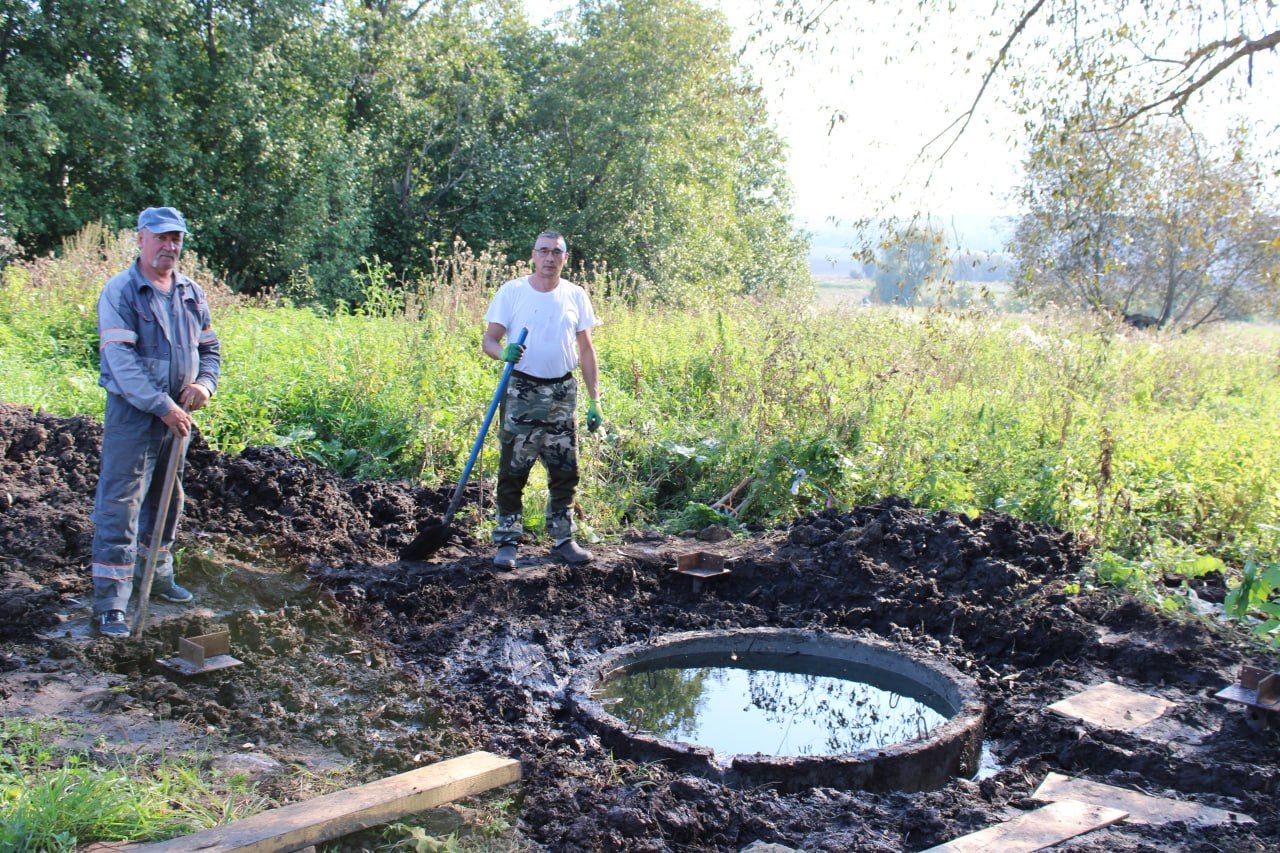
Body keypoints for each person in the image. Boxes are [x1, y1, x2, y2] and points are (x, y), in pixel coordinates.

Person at [90, 207, 221, 637]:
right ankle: (112, 601)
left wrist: (204, 385)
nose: (170, 246)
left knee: (170, 496)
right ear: (141, 239)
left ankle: (157, 574)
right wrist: (160, 403)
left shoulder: (191, 293)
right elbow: (121, 363)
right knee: (122, 503)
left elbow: (211, 350)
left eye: (176, 239)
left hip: (177, 415)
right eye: (161, 238)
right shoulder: (122, 291)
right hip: (134, 414)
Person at [483, 231, 602, 568]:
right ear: (533, 256)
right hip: (522, 390)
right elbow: (489, 341)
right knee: (513, 468)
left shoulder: (575, 295)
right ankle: (507, 540)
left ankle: (564, 539)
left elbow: (587, 349)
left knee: (566, 468)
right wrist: (502, 351)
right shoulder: (512, 292)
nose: (550, 258)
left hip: (563, 392)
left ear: (566, 258)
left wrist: (595, 400)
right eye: (544, 251)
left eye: (557, 252)